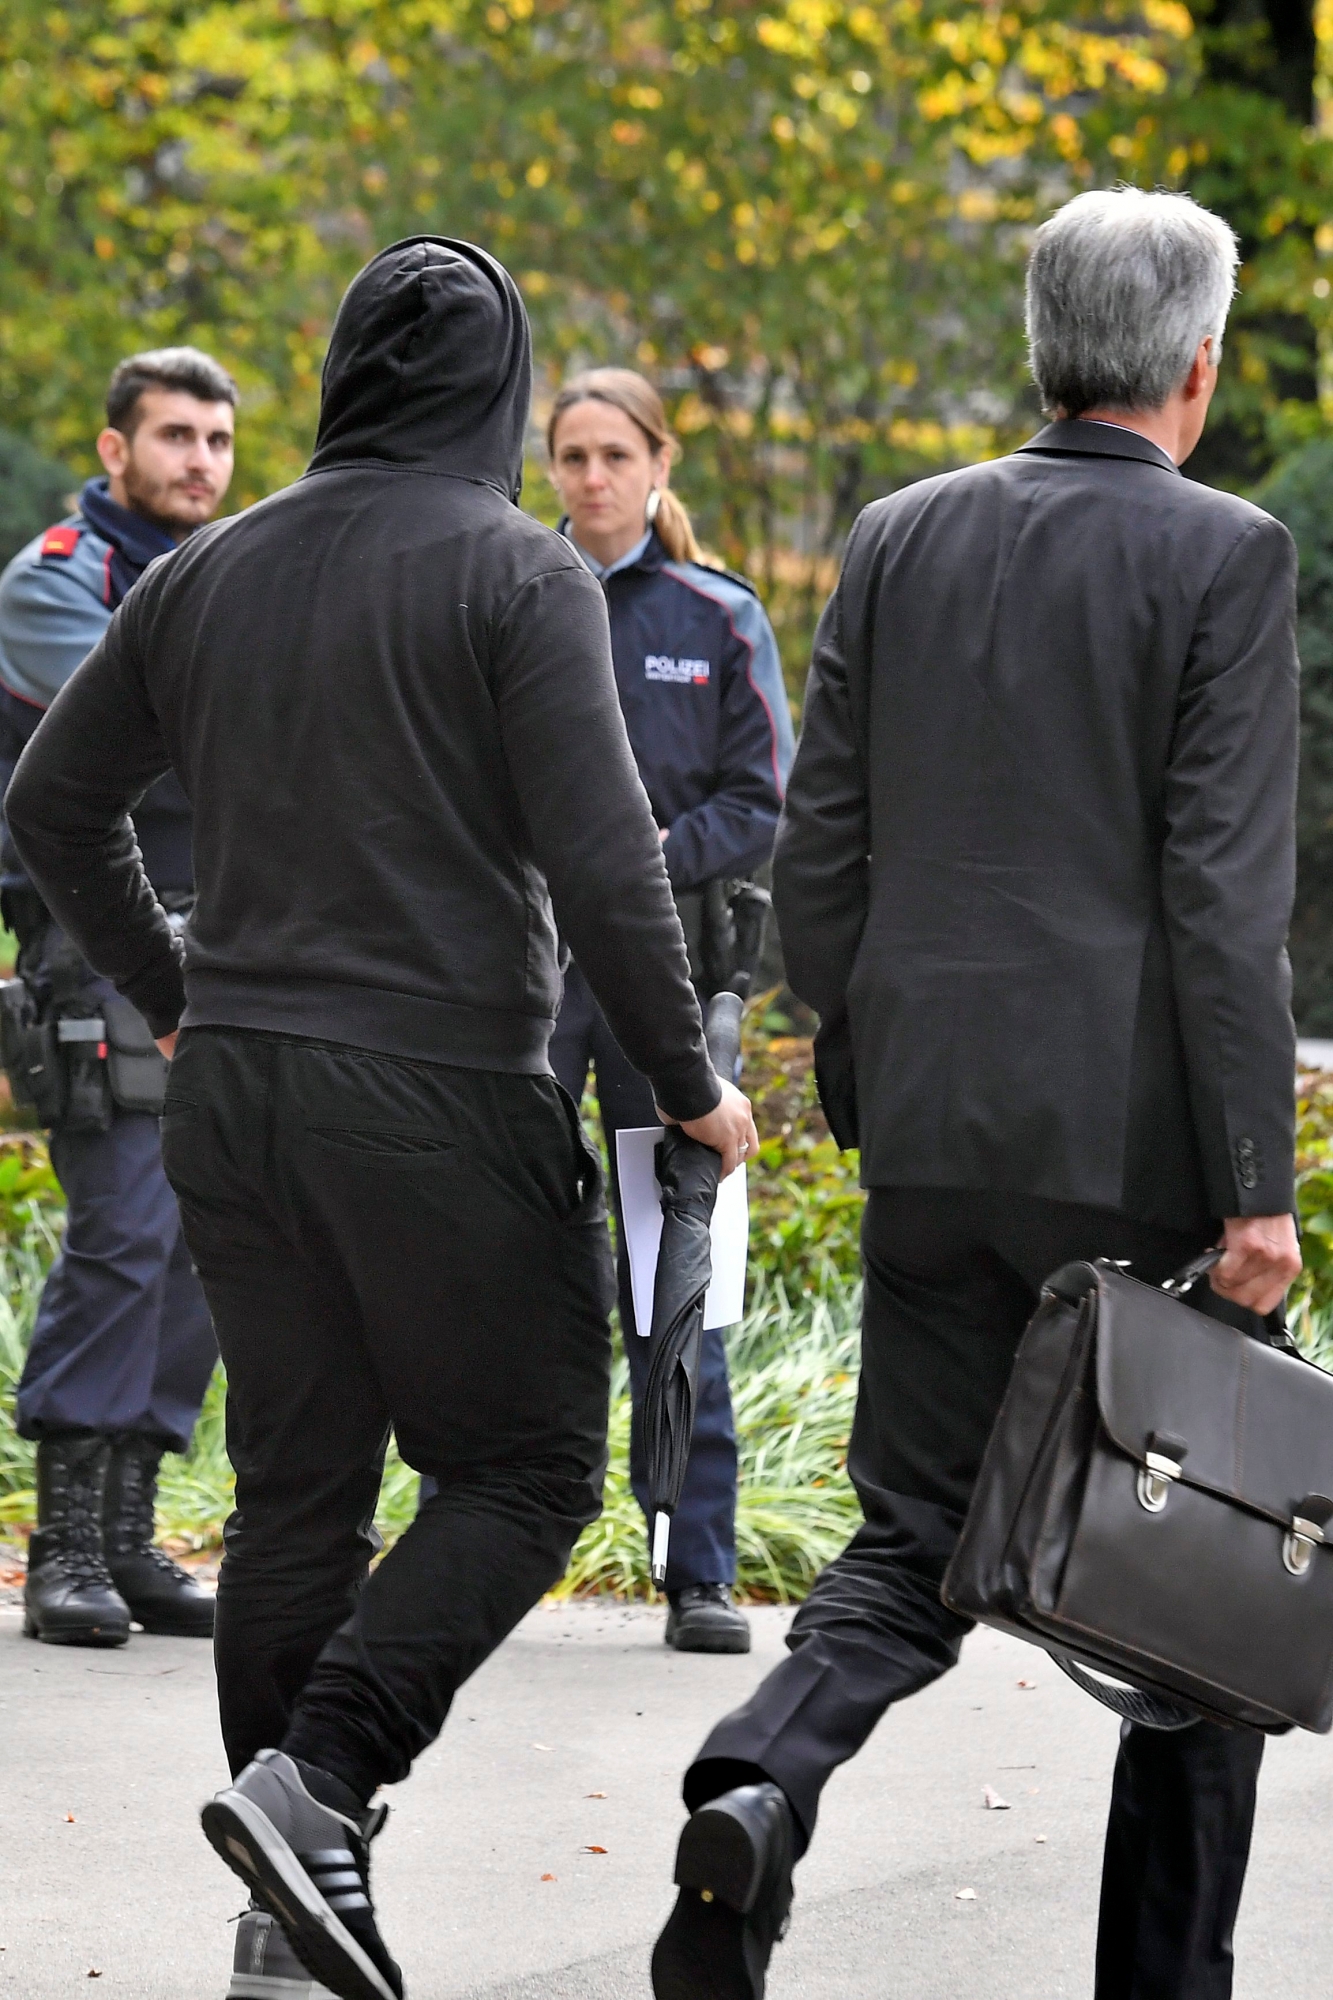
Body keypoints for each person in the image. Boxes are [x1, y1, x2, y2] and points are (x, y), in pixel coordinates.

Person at [4, 236, 758, 2000]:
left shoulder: (216, 563)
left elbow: (52, 802)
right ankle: (322, 1780)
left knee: (296, 1495)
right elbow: (604, 861)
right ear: (498, 397)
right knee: (527, 1467)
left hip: (242, 1094)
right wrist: (688, 1084)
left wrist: (180, 989)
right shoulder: (521, 574)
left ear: (344, 371)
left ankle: (288, 1916)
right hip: (434, 1084)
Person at [651, 187, 1304, 2000]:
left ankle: (755, 1792)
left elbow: (820, 858)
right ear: (1194, 361)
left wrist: (868, 1084)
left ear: (1040, 349)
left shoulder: (895, 538)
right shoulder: (1227, 554)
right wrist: (1257, 1185)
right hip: (1135, 1153)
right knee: (1195, 1609)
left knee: (909, 1539)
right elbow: (1218, 893)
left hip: (935, 1132)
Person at [546, 369, 794, 1654]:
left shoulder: (715, 614)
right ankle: (485, 1540)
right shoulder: (511, 594)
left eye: (611, 455)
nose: (590, 477)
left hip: (671, 990)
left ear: (657, 465)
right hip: (528, 986)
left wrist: (636, 858)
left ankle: (697, 1569)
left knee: (677, 1274)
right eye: (570, 455)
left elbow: (762, 801)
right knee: (505, 1261)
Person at [0, 348, 237, 1649]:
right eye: (174, 436)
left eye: (216, 438)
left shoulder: (227, 573)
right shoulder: (56, 580)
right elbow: (146, 739)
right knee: (123, 1233)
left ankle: (135, 1533)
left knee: (203, 1241)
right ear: (113, 450)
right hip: (97, 939)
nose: (199, 459)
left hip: (232, 941)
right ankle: (67, 1546)